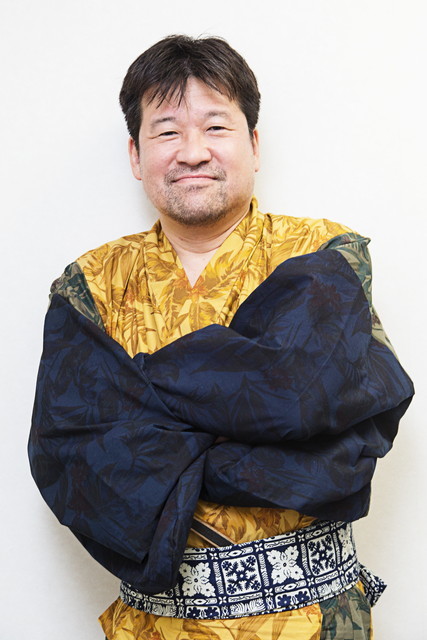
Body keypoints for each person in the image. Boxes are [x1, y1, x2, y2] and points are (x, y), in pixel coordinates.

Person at [29, 35, 414, 639]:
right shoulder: (91, 285)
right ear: (135, 155)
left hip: (311, 623)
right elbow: (74, 464)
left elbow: (330, 440)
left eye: (215, 126)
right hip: (150, 626)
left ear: (254, 145)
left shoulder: (324, 253)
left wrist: (150, 418)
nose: (193, 151)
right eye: (166, 132)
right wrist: (252, 424)